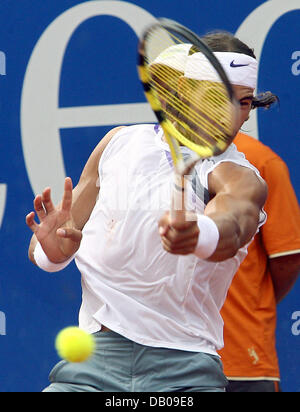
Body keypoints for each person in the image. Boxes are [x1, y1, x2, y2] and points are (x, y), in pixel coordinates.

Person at [26, 38, 268, 392]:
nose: (231, 115)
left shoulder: (240, 175)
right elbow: (52, 242)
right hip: (91, 364)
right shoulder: (118, 144)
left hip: (185, 372)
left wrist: (200, 233)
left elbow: (234, 223)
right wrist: (52, 252)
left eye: (244, 102)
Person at [201, 32, 300, 392]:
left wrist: (249, 301)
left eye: (243, 101)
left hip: (243, 363)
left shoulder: (263, 164)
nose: (231, 112)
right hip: (169, 363)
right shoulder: (144, 154)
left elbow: (287, 259)